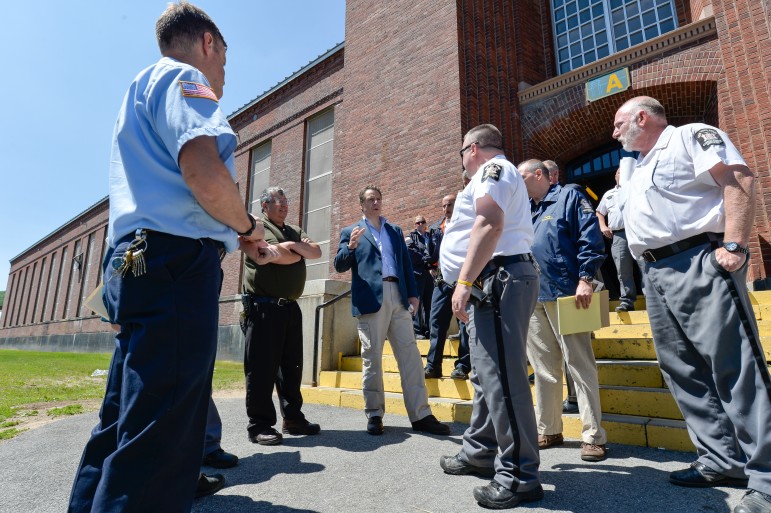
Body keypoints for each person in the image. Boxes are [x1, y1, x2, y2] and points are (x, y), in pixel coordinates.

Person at [67, 3, 276, 510]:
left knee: (123, 419)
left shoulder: (138, 88)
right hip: (176, 264)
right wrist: (248, 229)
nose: (223, 74)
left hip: (135, 262)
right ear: (208, 43)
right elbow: (204, 171)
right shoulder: (187, 80)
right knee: (160, 432)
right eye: (224, 59)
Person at [612, 96, 771, 513]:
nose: (614, 133)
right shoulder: (638, 164)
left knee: (734, 365)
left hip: (698, 259)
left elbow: (738, 177)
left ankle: (767, 474)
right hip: (655, 273)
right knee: (683, 371)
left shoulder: (687, 137)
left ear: (641, 118)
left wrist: (735, 244)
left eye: (618, 123)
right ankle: (722, 459)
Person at [438, 124, 543, 509]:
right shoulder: (491, 173)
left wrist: (464, 281)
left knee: (503, 380)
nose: (461, 160)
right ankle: (481, 451)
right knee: (487, 376)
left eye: (461, 152)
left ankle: (519, 476)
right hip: (493, 282)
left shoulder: (491, 170)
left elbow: (489, 223)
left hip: (496, 279)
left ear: (474, 148)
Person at [334, 186, 450, 437]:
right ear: (361, 204)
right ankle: (374, 414)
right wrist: (351, 246)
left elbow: (406, 264)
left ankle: (421, 414)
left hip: (397, 296)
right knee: (372, 359)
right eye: (370, 199)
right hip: (370, 300)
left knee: (410, 358)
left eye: (378, 199)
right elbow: (340, 264)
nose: (375, 202)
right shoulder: (350, 231)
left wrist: (413, 295)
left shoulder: (394, 230)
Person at [518, 159, 608, 462]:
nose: (518, 183)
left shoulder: (569, 195)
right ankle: (550, 429)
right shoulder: (528, 210)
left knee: (579, 365)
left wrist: (586, 278)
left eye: (522, 177)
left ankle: (593, 436)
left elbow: (589, 236)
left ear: (539, 175)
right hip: (534, 299)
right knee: (543, 370)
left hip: (569, 294)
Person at [242, 187, 322, 445]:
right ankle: (259, 425)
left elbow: (316, 252)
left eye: (286, 200)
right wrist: (293, 252)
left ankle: (293, 418)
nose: (284, 204)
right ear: (264, 205)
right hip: (263, 306)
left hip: (289, 307)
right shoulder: (256, 227)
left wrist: (287, 246)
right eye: (278, 201)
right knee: (261, 368)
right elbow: (265, 255)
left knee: (292, 367)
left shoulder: (294, 230)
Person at [423, 193, 471, 380]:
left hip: (463, 280)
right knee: (435, 322)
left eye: (450, 204)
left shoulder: (465, 223)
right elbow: (431, 252)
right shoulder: (436, 228)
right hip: (442, 282)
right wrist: (431, 266)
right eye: (443, 205)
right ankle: (433, 366)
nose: (446, 209)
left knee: (464, 322)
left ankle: (462, 366)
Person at [596, 168, 638, 312]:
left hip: (638, 232)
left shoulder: (637, 188)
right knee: (622, 269)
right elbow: (599, 212)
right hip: (619, 235)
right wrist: (602, 226)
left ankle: (653, 299)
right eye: (620, 172)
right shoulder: (608, 194)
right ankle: (627, 301)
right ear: (615, 176)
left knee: (646, 266)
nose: (623, 174)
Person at [407, 215, 433, 338]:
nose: (420, 224)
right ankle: (417, 331)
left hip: (431, 274)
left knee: (429, 302)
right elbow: (411, 252)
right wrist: (426, 260)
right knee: (417, 301)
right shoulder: (411, 237)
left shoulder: (430, 236)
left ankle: (428, 330)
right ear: (415, 225)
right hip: (418, 274)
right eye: (418, 222)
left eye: (422, 221)